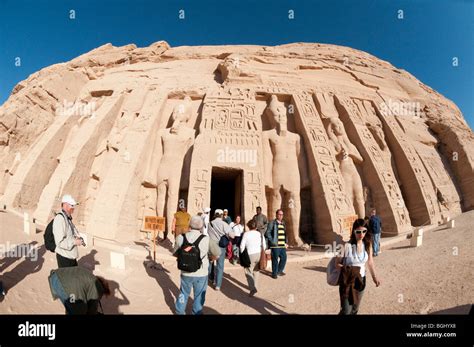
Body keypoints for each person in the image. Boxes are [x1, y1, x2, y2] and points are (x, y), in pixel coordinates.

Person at [335, 219, 381, 315]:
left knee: (355, 309)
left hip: (361, 280)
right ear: (354, 231)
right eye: (358, 232)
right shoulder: (346, 245)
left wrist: (374, 277)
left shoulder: (368, 244)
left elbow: (370, 262)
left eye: (364, 231)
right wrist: (347, 269)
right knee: (346, 311)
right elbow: (337, 263)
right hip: (347, 281)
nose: (361, 234)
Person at [173, 215, 210, 315]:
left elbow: (175, 253)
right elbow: (216, 253)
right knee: (199, 295)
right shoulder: (206, 239)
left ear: (189, 224)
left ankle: (180, 311)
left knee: (183, 293)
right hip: (201, 272)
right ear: (201, 226)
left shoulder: (180, 237)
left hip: (185, 271)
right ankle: (196, 312)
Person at [53, 194, 84, 268]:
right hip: (65, 258)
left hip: (71, 257)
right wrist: (75, 242)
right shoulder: (60, 219)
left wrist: (77, 238)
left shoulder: (67, 218)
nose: (73, 208)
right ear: (65, 205)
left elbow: (70, 234)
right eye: (72, 206)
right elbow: (59, 243)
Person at [207, 209, 232, 290]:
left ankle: (210, 278)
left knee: (211, 262)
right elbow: (232, 235)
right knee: (220, 265)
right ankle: (218, 285)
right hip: (221, 246)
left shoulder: (210, 223)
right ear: (221, 215)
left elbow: (208, 233)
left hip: (211, 244)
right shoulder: (224, 224)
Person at [240, 219, 266, 297]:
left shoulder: (246, 234)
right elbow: (264, 245)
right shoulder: (260, 234)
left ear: (249, 226)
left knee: (248, 271)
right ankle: (256, 286)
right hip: (258, 254)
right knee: (256, 271)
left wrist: (242, 255)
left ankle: (252, 288)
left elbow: (242, 247)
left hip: (250, 254)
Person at [265, 209, 288, 279]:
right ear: (276, 215)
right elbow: (267, 233)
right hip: (275, 246)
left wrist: (286, 242)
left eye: (282, 215)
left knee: (284, 258)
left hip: (282, 245)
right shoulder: (272, 223)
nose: (281, 216)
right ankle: (274, 273)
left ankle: (279, 271)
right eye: (279, 214)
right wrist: (272, 241)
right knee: (275, 260)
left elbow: (285, 234)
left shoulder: (283, 223)